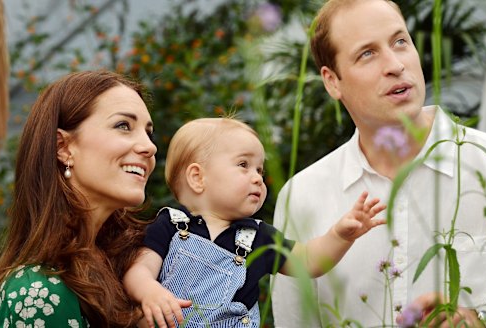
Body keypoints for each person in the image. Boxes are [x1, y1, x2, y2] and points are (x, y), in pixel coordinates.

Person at [271, 0, 486, 327]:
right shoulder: (302, 196)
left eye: (400, 42)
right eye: (367, 53)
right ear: (332, 81)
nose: (394, 64)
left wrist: (480, 324)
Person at [122, 117, 386, 328]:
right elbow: (138, 270)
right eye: (243, 165)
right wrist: (149, 292)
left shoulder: (259, 237)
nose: (258, 177)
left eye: (260, 169)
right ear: (197, 178)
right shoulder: (170, 225)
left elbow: (308, 261)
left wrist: (340, 236)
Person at [0, 70, 158, 327]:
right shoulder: (38, 291)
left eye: (149, 133)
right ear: (63, 147)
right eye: (123, 126)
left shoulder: (140, 266)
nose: (150, 147)